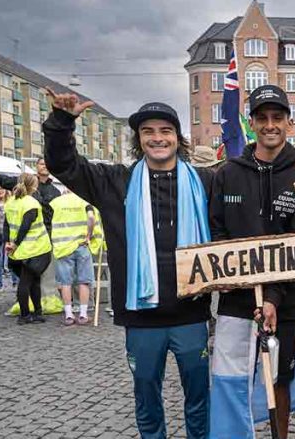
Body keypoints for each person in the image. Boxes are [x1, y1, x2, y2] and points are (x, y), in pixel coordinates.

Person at [43, 92, 213, 439]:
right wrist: (62, 122)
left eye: (165, 130)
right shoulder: (114, 181)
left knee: (199, 396)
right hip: (141, 317)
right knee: (146, 396)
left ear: (177, 138)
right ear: (139, 139)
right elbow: (64, 166)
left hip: (191, 315)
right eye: (148, 131)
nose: (157, 137)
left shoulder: (204, 183)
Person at [208, 85, 295, 438]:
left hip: (287, 303)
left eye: (277, 118)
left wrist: (273, 298)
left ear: (289, 122)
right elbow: (216, 232)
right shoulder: (227, 173)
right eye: (262, 118)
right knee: (230, 382)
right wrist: (222, 271)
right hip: (236, 301)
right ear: (252, 123)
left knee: (280, 381)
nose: (270, 125)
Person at [4, 173, 51, 325]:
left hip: (16, 251)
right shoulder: (31, 203)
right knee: (26, 283)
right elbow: (26, 225)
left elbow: (6, 224)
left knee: (33, 281)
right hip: (34, 249)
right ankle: (25, 315)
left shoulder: (11, 201)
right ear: (34, 186)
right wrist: (16, 243)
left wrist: (8, 242)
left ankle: (37, 312)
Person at [0, 157, 61, 234]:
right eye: (42, 164)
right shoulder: (25, 183)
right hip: (22, 235)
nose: (45, 166)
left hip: (45, 237)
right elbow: (1, 179)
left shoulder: (55, 192)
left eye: (48, 164)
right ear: (36, 166)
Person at [49, 190, 97, 325]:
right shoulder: (84, 201)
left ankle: (69, 315)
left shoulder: (55, 203)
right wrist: (89, 235)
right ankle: (83, 314)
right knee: (84, 281)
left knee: (65, 283)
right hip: (81, 245)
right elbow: (92, 218)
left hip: (62, 246)